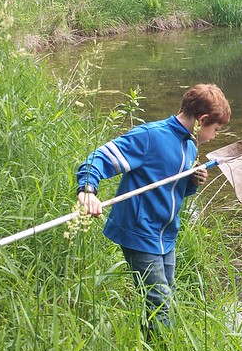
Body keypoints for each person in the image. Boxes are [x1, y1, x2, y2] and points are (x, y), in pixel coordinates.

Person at [76, 83, 231, 332]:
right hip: (139, 231)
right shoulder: (150, 136)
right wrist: (87, 190)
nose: (214, 137)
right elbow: (99, 158)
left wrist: (192, 182)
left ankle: (152, 346)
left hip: (166, 234)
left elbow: (174, 189)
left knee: (164, 295)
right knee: (159, 300)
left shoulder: (190, 145)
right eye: (215, 130)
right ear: (202, 120)